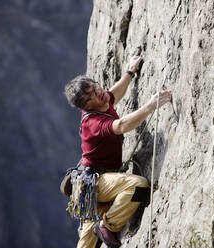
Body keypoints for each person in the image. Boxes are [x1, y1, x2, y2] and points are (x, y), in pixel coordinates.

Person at [64, 56, 172, 248]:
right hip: (96, 183)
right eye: (92, 95)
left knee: (86, 245)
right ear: (87, 106)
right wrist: (149, 106)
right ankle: (106, 226)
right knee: (137, 186)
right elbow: (121, 125)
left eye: (95, 87)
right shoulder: (93, 122)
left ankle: (100, 225)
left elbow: (115, 93)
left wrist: (129, 73)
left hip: (92, 186)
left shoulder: (101, 101)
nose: (99, 92)